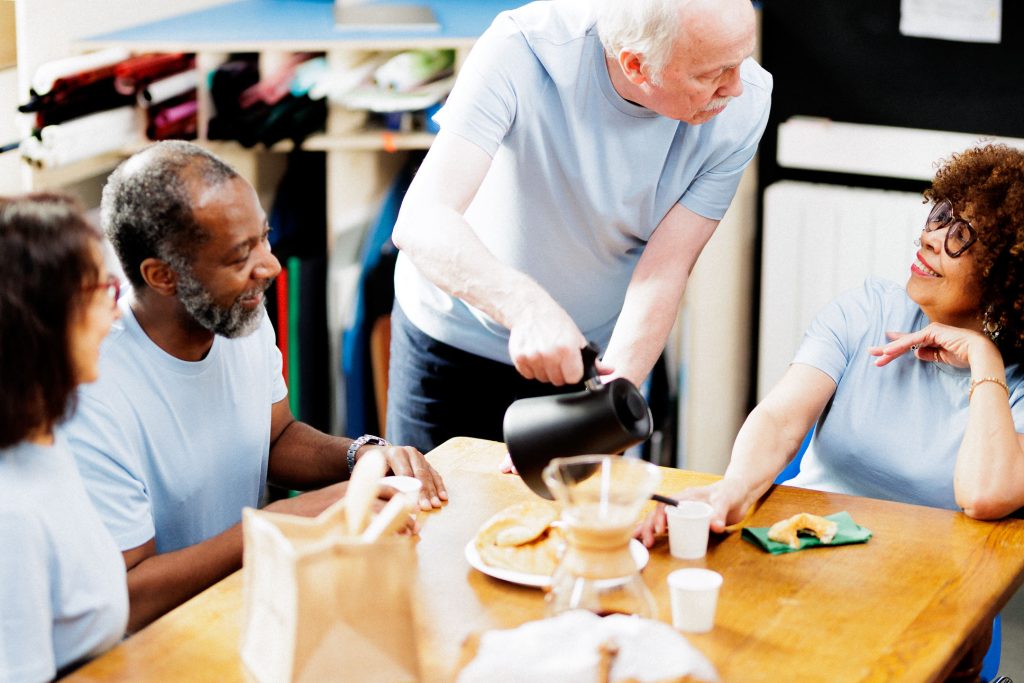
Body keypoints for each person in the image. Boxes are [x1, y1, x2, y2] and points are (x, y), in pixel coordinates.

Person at [63, 141, 447, 632]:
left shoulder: (235, 316)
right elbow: (131, 595)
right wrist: (285, 521)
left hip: (245, 607)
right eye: (241, 256)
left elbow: (274, 435)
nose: (271, 268)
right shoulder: (93, 393)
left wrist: (361, 457)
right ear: (161, 276)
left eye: (264, 239)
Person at [386, 0, 773, 454]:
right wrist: (527, 309)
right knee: (436, 517)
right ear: (637, 66)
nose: (736, 88)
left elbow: (664, 271)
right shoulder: (522, 48)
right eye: (713, 74)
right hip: (449, 341)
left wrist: (608, 408)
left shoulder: (743, 106)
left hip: (587, 362)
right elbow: (422, 220)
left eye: (741, 61)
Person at [640, 143, 1024, 534]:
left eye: (961, 236)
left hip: (923, 576)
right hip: (804, 544)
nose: (930, 237)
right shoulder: (867, 311)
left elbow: (984, 496)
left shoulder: (1015, 384)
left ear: (1004, 276)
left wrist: (983, 357)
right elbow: (781, 419)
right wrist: (733, 489)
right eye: (941, 215)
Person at [0, 194, 127, 680]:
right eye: (103, 292)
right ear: (45, 316)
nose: (116, 315)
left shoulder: (46, 440)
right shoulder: (12, 514)